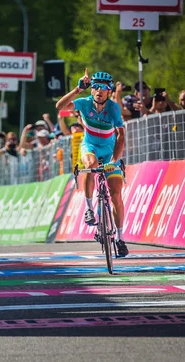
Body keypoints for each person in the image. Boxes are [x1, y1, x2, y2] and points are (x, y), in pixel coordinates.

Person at [55, 69, 128, 257]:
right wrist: (78, 89)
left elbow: (121, 137)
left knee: (116, 194)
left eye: (103, 88)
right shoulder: (84, 103)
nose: (99, 91)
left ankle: (120, 238)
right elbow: (60, 106)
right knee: (90, 164)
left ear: (109, 91)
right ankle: (89, 209)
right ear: (91, 89)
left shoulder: (113, 108)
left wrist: (113, 160)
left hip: (110, 150)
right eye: (95, 87)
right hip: (90, 146)